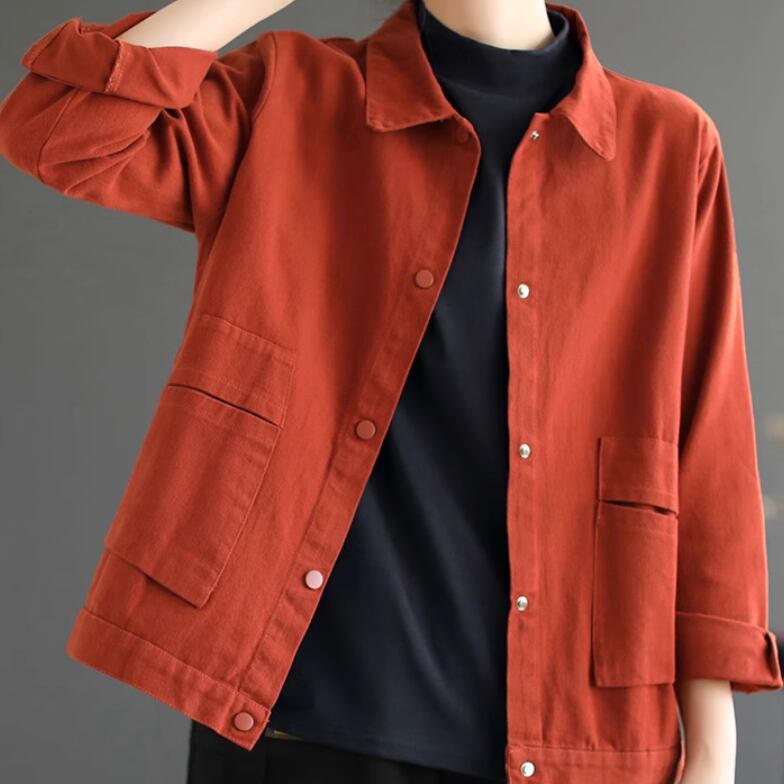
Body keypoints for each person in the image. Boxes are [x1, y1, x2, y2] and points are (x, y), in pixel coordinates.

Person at [1, 1, 780, 783]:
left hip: (572, 731)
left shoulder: (669, 145)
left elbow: (707, 452)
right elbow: (56, 126)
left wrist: (712, 751)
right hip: (299, 721)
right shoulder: (291, 93)